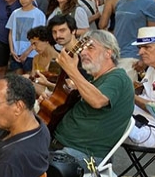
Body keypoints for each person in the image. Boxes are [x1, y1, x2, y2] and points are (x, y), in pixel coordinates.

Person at [52, 30, 134, 163]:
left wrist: (72, 70)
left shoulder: (118, 77)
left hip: (82, 154)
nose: (83, 52)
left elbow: (98, 101)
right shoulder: (94, 78)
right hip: (62, 145)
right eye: (83, 48)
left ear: (109, 52)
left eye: (90, 48)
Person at [99, 0, 155, 80]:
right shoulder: (120, 2)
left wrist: (144, 60)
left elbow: (154, 36)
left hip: (133, 57)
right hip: (115, 55)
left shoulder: (150, 5)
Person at [127, 27, 155, 148]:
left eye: (147, 47)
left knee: (109, 121)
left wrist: (129, 94)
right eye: (140, 47)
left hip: (153, 130)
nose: (140, 52)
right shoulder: (151, 67)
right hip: (139, 119)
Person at [6, 0, 46, 74]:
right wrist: (12, 50)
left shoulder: (39, 14)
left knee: (29, 77)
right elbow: (11, 32)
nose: (23, 0)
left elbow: (39, 37)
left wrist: (27, 52)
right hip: (16, 52)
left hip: (31, 54)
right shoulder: (15, 13)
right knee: (17, 78)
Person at [27, 25, 58, 96]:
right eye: (32, 45)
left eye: (35, 43)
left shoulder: (59, 58)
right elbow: (33, 78)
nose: (34, 48)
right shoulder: (36, 58)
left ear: (46, 40)